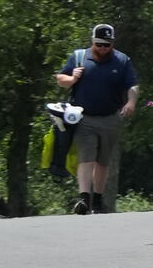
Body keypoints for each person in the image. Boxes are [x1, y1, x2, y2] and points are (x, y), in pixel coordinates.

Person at [55, 23, 139, 215]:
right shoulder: (79, 57)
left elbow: (132, 85)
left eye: (107, 45)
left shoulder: (122, 60)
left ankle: (98, 201)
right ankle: (84, 198)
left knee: (103, 161)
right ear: (92, 41)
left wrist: (131, 103)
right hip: (84, 118)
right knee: (87, 157)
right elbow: (60, 79)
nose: (103, 48)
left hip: (111, 117)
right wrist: (72, 78)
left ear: (112, 44)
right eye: (99, 44)